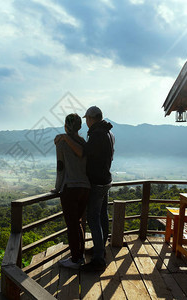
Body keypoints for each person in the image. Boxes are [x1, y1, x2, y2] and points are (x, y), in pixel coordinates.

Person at [55, 106, 115, 271]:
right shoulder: (108, 133)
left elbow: (81, 153)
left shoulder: (96, 134)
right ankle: (99, 250)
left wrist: (65, 137)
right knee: (101, 216)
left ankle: (96, 259)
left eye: (88, 118)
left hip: (91, 183)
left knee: (92, 220)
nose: (87, 122)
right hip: (102, 181)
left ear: (90, 118)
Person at [52, 113, 90, 269]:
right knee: (78, 223)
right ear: (80, 126)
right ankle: (78, 255)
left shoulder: (62, 143)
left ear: (65, 125)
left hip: (70, 188)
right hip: (85, 188)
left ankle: (76, 259)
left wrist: (57, 187)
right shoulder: (84, 142)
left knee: (72, 225)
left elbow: (60, 167)